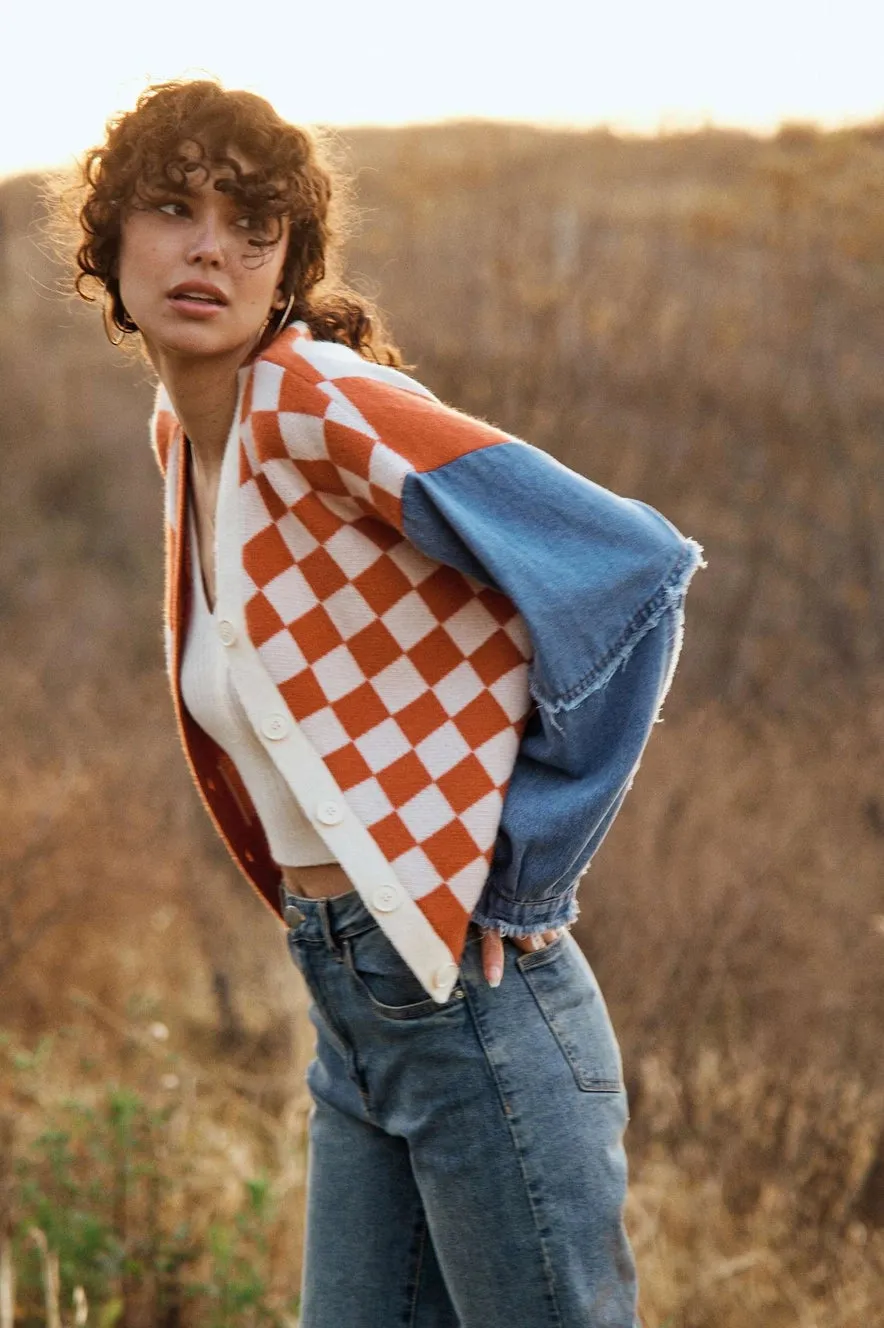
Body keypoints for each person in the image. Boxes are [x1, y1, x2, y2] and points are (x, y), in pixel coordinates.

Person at [68, 78, 702, 1327]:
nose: (210, 247)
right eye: (173, 208)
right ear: (109, 242)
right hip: (355, 1006)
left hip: (472, 1003)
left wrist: (523, 867)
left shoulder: (315, 401)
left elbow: (630, 570)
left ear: (290, 261)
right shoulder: (188, 434)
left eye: (253, 225)